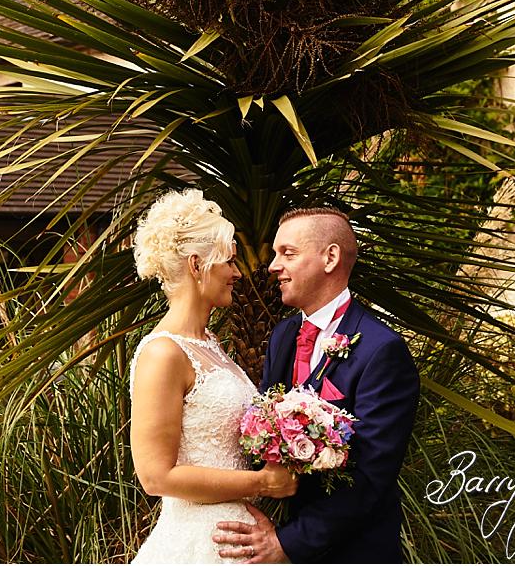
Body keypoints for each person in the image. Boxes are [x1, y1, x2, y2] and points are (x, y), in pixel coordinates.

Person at [213, 207, 420, 563]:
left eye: (288, 253)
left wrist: (287, 543)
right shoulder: (283, 335)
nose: (273, 266)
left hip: (355, 553)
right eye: (276, 254)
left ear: (330, 258)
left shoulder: (381, 349)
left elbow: (370, 476)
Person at [129, 189, 298, 563]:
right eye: (228, 262)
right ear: (196, 265)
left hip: (237, 534)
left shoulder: (210, 344)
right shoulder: (163, 353)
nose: (237, 273)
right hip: (198, 541)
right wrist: (263, 483)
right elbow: (156, 476)